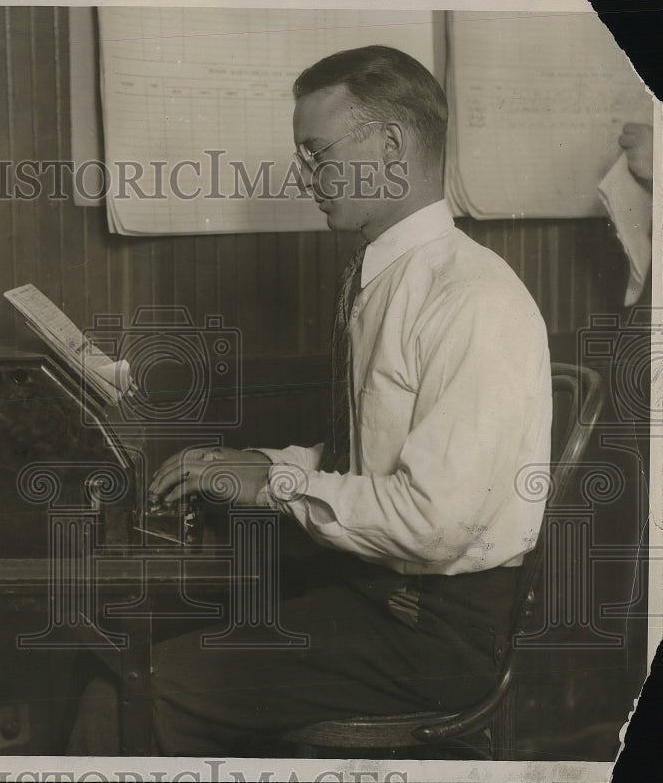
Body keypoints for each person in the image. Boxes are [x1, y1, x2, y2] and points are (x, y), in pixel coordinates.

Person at [67, 45, 552, 756]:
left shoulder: (473, 300)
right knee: (125, 650)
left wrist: (276, 485)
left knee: (135, 684)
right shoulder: (387, 277)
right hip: (382, 602)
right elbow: (379, 458)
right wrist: (256, 461)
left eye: (317, 153)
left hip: (434, 638)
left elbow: (433, 521)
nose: (306, 177)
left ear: (390, 147)